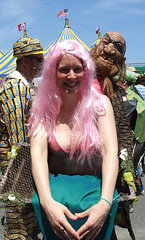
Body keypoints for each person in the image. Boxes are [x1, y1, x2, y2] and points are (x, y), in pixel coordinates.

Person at [29, 39, 119, 240]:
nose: (71, 76)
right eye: (64, 70)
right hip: (58, 205)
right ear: (53, 72)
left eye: (77, 69)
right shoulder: (43, 107)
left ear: (86, 71)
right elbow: (38, 153)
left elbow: (110, 152)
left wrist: (104, 203)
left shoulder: (100, 105)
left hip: (95, 200)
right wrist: (46, 201)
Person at [90, 32, 136, 240]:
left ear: (122, 60)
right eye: (106, 42)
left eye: (117, 48)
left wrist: (127, 169)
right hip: (74, 174)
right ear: (96, 46)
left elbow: (124, 131)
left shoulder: (116, 92)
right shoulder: (75, 80)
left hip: (106, 175)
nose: (109, 50)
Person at [0, 33, 44, 239]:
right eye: (38, 59)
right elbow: (18, 138)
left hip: (27, 157)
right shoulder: (15, 87)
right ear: (24, 60)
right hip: (17, 160)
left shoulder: (26, 85)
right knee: (18, 213)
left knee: (28, 213)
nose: (42, 63)